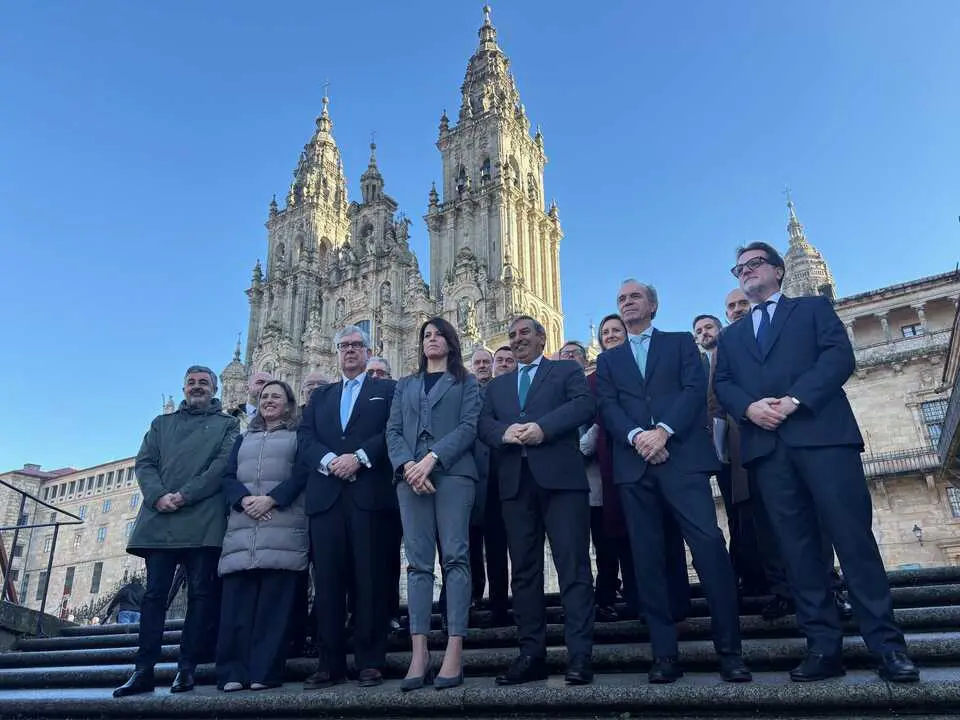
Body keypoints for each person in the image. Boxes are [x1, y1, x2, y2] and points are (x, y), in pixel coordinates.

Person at [714, 242, 918, 683]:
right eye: (739, 269)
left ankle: (888, 648)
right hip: (769, 452)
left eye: (753, 265)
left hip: (823, 440)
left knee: (853, 542)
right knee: (798, 553)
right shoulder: (732, 336)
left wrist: (793, 400)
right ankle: (823, 647)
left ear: (777, 271)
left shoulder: (811, 309)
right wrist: (749, 409)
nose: (745, 273)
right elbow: (725, 384)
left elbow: (838, 358)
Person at [596, 280, 750, 685]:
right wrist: (637, 438)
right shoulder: (609, 361)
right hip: (635, 467)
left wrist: (662, 432)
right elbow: (608, 409)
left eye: (634, 297)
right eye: (621, 298)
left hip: (681, 460)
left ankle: (730, 652)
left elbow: (695, 390)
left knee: (710, 550)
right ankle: (664, 654)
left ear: (652, 305)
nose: (626, 303)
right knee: (647, 562)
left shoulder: (681, 342)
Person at [478, 316, 596, 686]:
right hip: (515, 486)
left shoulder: (564, 372)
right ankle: (531, 655)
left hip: (561, 482)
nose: (517, 340)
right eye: (512, 335)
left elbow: (583, 406)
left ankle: (580, 656)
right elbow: (482, 425)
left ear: (542, 338)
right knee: (524, 574)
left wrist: (543, 428)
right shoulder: (497, 387)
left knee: (572, 567)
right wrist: (505, 432)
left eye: (524, 333)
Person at [113, 366, 240, 698]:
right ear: (184, 388)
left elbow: (222, 466)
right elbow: (145, 463)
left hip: (201, 517)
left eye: (204, 383)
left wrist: (185, 495)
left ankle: (187, 668)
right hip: (161, 517)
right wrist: (158, 495)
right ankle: (143, 670)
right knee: (154, 597)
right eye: (192, 383)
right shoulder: (161, 424)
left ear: (215, 389)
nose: (197, 387)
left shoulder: (228, 424)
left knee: (200, 597)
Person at [297, 325, 396, 689]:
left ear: (369, 352)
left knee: (369, 580)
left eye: (357, 345)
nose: (350, 351)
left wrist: (359, 457)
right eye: (344, 346)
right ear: (336, 353)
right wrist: (329, 461)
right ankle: (329, 663)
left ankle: (370, 661)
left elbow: (392, 431)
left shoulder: (387, 390)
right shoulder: (320, 397)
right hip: (327, 497)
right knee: (327, 583)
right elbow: (305, 438)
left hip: (368, 495)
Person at [387, 317, 480, 691]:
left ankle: (454, 650)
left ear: (451, 342)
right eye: (426, 335)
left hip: (454, 475)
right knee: (418, 565)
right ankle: (420, 652)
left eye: (439, 334)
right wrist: (408, 464)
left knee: (456, 557)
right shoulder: (405, 385)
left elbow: (469, 426)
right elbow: (393, 430)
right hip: (410, 479)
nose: (432, 340)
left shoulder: (467, 382)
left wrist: (432, 458)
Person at [217, 380, 308, 692]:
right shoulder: (243, 439)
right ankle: (231, 673)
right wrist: (243, 500)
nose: (270, 401)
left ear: (289, 404)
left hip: (281, 527)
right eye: (265, 396)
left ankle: (264, 672)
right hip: (243, 530)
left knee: (273, 608)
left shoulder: (298, 437)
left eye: (277, 397)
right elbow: (228, 477)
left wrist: (272, 499)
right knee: (236, 608)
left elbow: (302, 474)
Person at [560, 340, 620, 623]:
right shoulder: (556, 391)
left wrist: (580, 448)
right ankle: (579, 601)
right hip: (564, 482)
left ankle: (606, 596)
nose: (569, 358)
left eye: (574, 354)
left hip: (594, 476)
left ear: (585, 359)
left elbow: (600, 421)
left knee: (604, 541)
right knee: (572, 545)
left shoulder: (594, 384)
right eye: (564, 356)